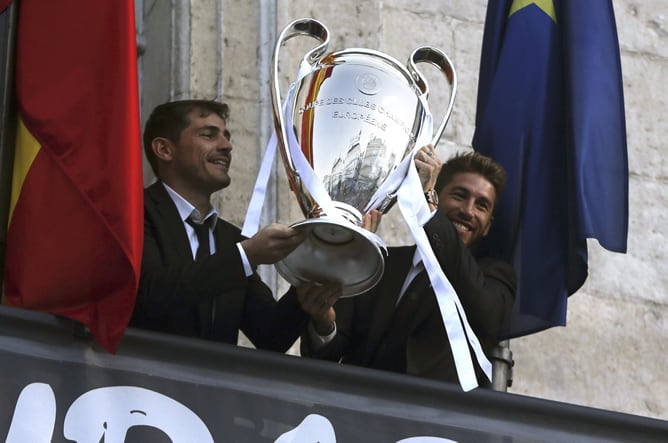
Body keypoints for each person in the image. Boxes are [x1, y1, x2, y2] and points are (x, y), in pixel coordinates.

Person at [131, 99, 339, 351]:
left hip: (208, 390)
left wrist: (309, 286)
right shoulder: (133, 214)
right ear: (164, 149)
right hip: (136, 386)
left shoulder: (230, 240)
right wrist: (246, 256)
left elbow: (270, 335)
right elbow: (146, 296)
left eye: (227, 137)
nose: (226, 146)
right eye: (208, 135)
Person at [301, 146, 517, 386]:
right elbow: (326, 356)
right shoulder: (379, 263)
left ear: (488, 226)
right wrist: (323, 323)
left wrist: (430, 209)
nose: (468, 211)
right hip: (355, 415)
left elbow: (488, 315)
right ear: (435, 194)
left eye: (481, 205)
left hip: (434, 420)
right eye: (459, 195)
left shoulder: (495, 277)